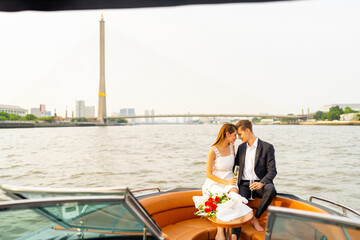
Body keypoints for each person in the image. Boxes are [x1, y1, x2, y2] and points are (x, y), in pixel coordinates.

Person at [232, 120, 277, 236]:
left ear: (247, 131)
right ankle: (233, 237)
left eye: (240, 134)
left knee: (270, 189)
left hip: (260, 184)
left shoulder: (267, 147)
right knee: (239, 204)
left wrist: (262, 183)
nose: (238, 137)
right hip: (244, 185)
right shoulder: (241, 148)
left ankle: (256, 218)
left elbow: (272, 170)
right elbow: (235, 167)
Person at [202, 123, 239, 240]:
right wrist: (225, 182)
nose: (236, 138)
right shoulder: (213, 150)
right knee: (219, 194)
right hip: (215, 181)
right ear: (227, 134)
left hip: (230, 179)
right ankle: (220, 230)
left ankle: (232, 229)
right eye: (235, 135)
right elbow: (208, 174)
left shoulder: (232, 147)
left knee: (234, 194)